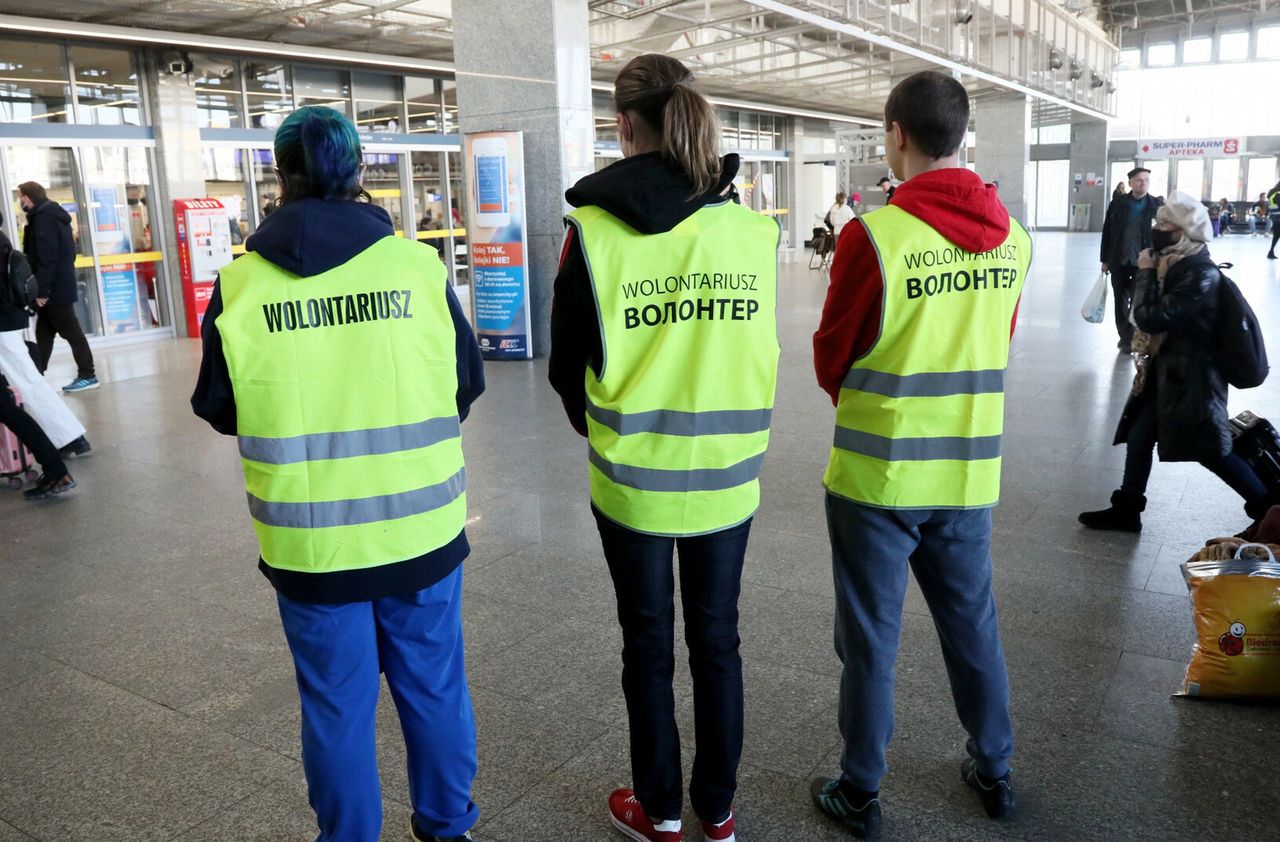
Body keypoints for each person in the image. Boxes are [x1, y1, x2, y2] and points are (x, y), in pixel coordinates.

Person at [190, 105, 485, 842]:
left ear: (282, 177)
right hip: (419, 528)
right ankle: (450, 827)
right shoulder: (417, 268)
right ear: (357, 171)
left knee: (335, 705)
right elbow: (465, 385)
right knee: (434, 688)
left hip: (313, 543)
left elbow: (221, 409)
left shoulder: (242, 285)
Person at [549, 54, 780, 842]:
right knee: (718, 641)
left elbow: (564, 368)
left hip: (632, 483)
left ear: (622, 125)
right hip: (726, 479)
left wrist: (606, 424)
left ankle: (661, 809)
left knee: (646, 643)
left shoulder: (593, 233)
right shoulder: (751, 232)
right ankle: (718, 811)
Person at [810, 70, 1029, 837]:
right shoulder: (1015, 239)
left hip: (878, 477)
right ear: (962, 133)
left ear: (896, 134)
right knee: (972, 624)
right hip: (968, 473)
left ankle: (861, 789)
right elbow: (994, 343)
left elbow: (831, 358)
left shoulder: (874, 236)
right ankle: (994, 768)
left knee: (871, 637)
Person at [1079, 193, 1275, 533]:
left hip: (1194, 379)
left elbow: (1149, 317)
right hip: (1167, 371)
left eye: (1165, 224)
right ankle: (1127, 508)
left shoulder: (1198, 273)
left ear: (1184, 230)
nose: (1157, 229)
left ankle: (1269, 513)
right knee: (1140, 436)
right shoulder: (1174, 263)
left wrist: (1144, 272)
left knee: (1213, 451)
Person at [0, 211, 91, 474]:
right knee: (26, 380)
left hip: (4, 323)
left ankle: (69, 436)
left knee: (26, 381)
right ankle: (68, 436)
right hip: (10, 319)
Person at [17, 182, 98, 392]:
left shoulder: (44, 219)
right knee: (44, 333)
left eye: (21, 196)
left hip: (54, 291)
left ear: (28, 197)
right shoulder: (52, 217)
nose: (20, 201)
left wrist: (42, 291)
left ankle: (88, 374)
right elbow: (68, 254)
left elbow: (47, 258)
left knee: (72, 332)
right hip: (57, 286)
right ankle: (36, 376)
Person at [1100, 167, 1163, 352]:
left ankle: (1129, 337)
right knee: (1119, 300)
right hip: (1119, 260)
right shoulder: (1118, 204)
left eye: (1146, 180)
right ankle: (1124, 336)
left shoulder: (1156, 205)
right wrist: (1105, 259)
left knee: (1137, 300)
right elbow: (1107, 232)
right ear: (1130, 183)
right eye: (1139, 180)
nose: (1143, 183)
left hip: (1143, 263)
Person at [1267, 181, 1280, 259]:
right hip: (1278, 216)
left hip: (1274, 215)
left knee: (1277, 235)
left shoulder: (1272, 192)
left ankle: (1271, 252)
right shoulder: (1278, 193)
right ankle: (1271, 252)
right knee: (1276, 235)